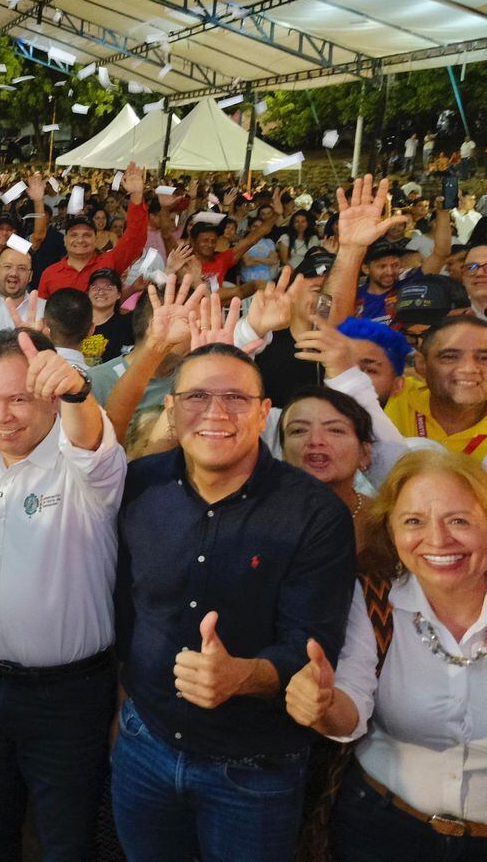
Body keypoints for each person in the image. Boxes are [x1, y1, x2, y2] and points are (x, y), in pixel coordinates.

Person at [113, 342, 355, 862]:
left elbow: (311, 646)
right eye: (197, 396)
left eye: (236, 398)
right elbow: (127, 610)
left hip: (254, 770)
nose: (216, 412)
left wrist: (242, 675)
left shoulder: (314, 515)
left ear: (264, 412)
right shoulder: (138, 485)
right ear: (171, 408)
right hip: (144, 744)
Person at [286, 450, 487, 859]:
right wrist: (323, 705)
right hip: (381, 830)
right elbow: (352, 704)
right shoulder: (373, 597)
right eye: (413, 521)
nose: (438, 539)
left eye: (459, 520)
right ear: (391, 533)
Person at [0, 328, 126, 861]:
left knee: (66, 842)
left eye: (20, 399)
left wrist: (79, 393)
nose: (2, 415)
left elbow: (91, 444)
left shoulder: (85, 465)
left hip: (67, 699)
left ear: (51, 398)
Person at [383, 315, 487, 462]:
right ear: (422, 364)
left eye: (484, 358)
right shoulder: (394, 394)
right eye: (450, 356)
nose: (469, 369)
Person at [278, 385, 376, 544]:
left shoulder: (385, 520)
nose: (315, 440)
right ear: (283, 452)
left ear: (364, 453)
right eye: (298, 430)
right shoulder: (259, 518)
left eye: (335, 430)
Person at [34, 161, 148, 295]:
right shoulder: (50, 274)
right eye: (74, 235)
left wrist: (136, 195)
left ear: (95, 239)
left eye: (87, 235)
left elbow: (135, 239)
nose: (80, 240)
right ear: (65, 240)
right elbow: (41, 308)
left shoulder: (109, 262)